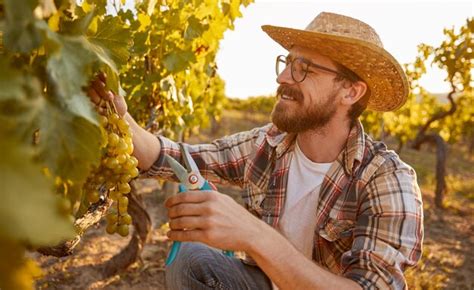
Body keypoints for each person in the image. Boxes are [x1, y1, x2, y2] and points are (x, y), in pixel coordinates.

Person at [88, 12, 423, 290]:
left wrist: (254, 235)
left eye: (303, 68)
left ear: (350, 91)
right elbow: (176, 157)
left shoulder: (388, 180)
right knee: (192, 259)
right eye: (287, 62)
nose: (283, 77)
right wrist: (121, 119)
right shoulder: (270, 144)